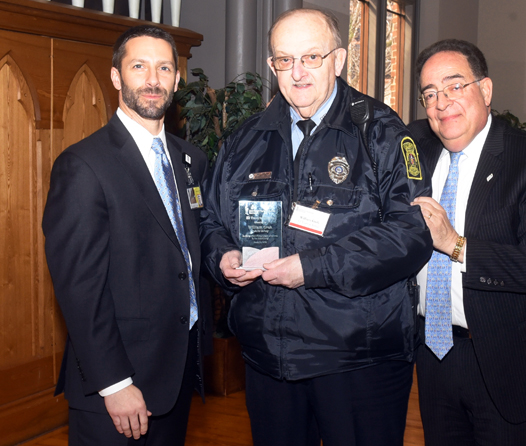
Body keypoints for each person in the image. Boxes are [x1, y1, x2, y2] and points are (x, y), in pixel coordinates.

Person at [200, 7, 432, 446]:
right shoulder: (244, 140)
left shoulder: (381, 133)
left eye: (312, 57)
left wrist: (313, 267)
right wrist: (223, 257)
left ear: (339, 60)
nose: (298, 72)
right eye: (284, 60)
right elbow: (211, 219)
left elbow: (411, 232)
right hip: (269, 356)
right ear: (272, 67)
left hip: (357, 358)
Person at [42, 25, 210, 445]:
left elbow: (188, 251)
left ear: (176, 79)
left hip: (176, 372)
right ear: (117, 77)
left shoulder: (191, 159)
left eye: (164, 68)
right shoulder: (83, 165)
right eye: (139, 66)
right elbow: (80, 290)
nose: (153, 79)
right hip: (117, 386)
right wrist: (115, 384)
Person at [408, 39, 526, 446]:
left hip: (506, 361)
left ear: (485, 90)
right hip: (432, 355)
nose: (441, 102)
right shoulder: (413, 150)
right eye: (429, 94)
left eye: (453, 86)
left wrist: (455, 244)